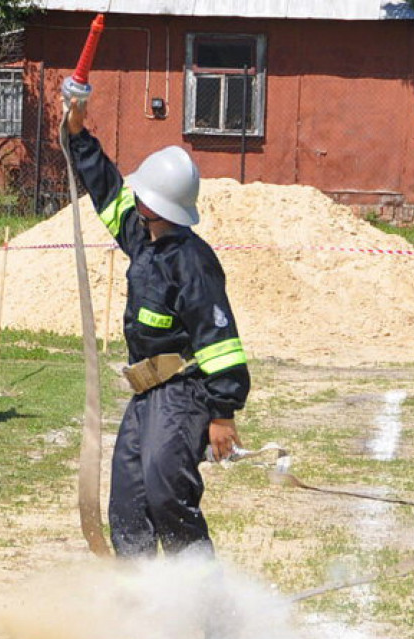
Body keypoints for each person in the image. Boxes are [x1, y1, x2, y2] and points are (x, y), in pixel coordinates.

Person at [66, 98, 250, 557]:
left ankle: (205, 608)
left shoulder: (193, 261)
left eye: (141, 192)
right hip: (145, 394)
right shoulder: (142, 238)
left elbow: (218, 339)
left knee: (168, 495)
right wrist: (76, 127)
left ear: (153, 201)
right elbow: (105, 189)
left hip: (184, 396)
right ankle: (144, 608)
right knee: (129, 499)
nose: (133, 197)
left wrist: (222, 414)